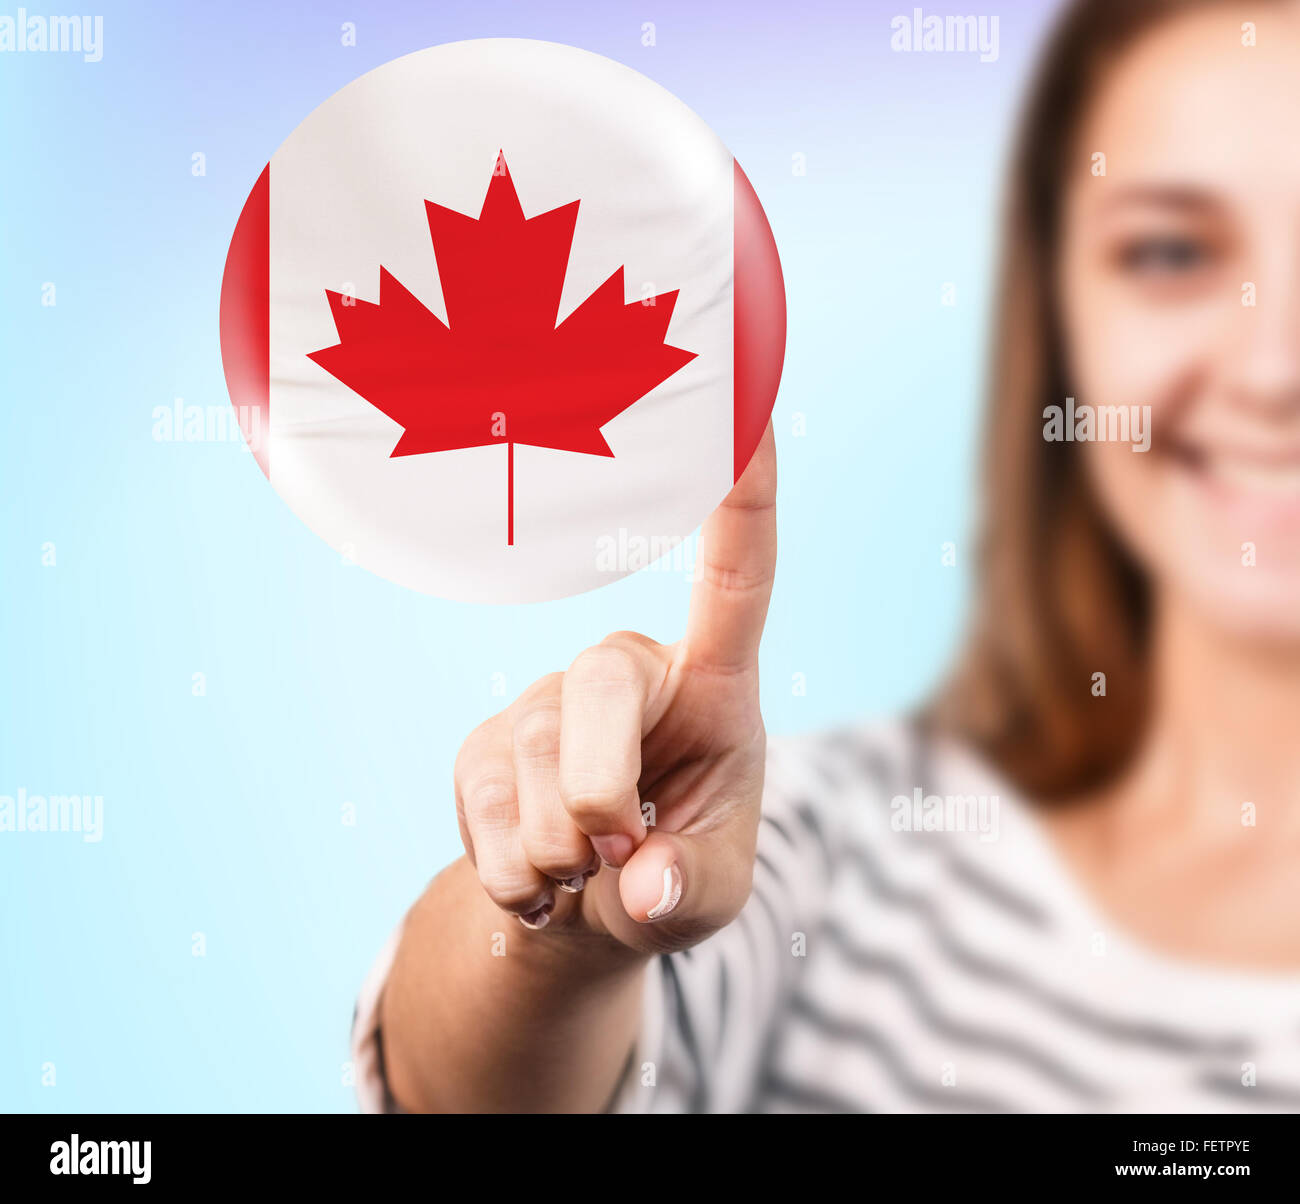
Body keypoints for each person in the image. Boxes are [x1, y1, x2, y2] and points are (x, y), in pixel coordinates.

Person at [353, 0, 1300, 1112]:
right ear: (1060, 321)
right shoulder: (831, 836)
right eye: (1171, 251)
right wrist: (565, 932)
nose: (1273, 365)